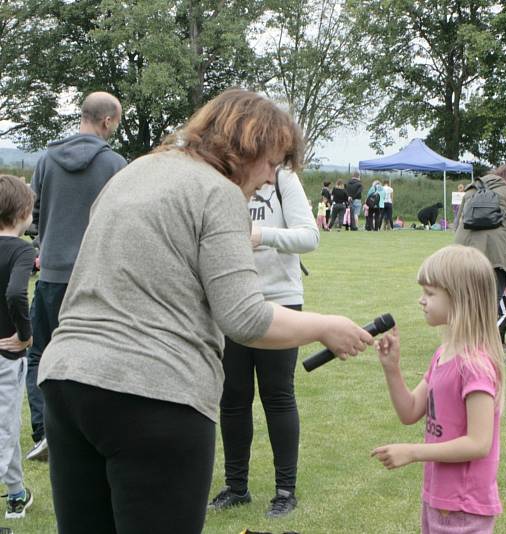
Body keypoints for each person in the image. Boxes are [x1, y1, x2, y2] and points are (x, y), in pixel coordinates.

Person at [35, 89, 374, 534]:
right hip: (153, 392)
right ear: (246, 144)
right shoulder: (218, 192)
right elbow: (246, 318)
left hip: (67, 380)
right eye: (272, 162)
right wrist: (326, 326)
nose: (272, 178)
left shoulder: (134, 171)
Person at [372, 244, 505, 533]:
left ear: (461, 299)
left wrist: (413, 452)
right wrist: (392, 368)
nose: (422, 300)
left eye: (430, 293)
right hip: (438, 498)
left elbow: (479, 443)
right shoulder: (444, 353)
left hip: (463, 507)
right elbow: (410, 412)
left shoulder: (475, 365)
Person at [209, 170, 319, 517]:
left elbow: (309, 237)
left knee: (277, 394)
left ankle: (285, 491)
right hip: (233, 298)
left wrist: (261, 235)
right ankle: (236, 487)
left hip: (279, 300)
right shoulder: (224, 175)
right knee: (234, 397)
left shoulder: (283, 177)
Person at [24, 91, 127, 462]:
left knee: (42, 354)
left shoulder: (47, 160)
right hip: (95, 275)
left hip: (51, 272)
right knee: (96, 356)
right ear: (106, 121)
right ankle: (88, 432)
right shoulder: (116, 165)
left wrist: (42, 245)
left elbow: (31, 212)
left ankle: (45, 431)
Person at [455, 164, 506, 340]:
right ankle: (481, 354)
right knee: (489, 308)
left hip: (463, 256)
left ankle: (460, 346)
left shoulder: (471, 190)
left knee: (467, 305)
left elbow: (457, 224)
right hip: (495, 259)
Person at [0, 175, 36, 519]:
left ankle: (16, 493)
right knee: (5, 430)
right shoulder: (24, 249)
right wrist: (25, 334)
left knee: (5, 423)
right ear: (23, 212)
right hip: (7, 356)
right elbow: (15, 293)